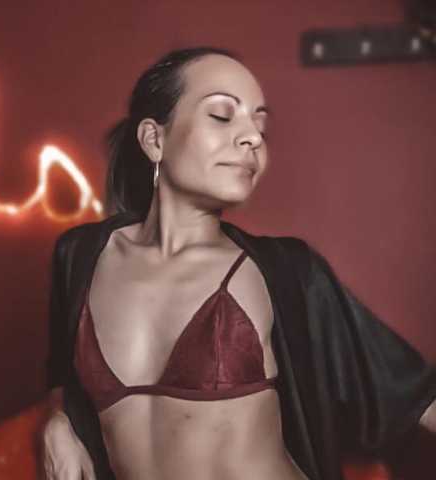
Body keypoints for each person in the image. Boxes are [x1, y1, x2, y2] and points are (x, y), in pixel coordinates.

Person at [40, 47, 436, 480]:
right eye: (222, 116)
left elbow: (414, 396)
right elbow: (63, 375)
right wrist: (57, 421)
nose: (253, 138)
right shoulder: (80, 256)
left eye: (259, 125)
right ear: (154, 140)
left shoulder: (288, 272)